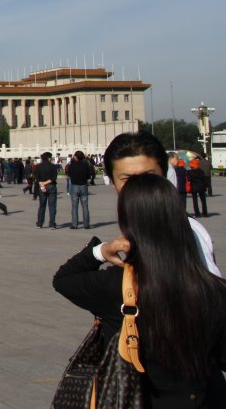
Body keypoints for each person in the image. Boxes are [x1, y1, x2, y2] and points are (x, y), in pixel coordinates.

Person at [53, 172, 226, 407]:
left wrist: (101, 251)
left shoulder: (116, 286)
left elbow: (63, 279)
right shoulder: (214, 290)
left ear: (129, 225)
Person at [101, 131, 220, 276]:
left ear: (164, 175)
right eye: (127, 179)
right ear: (112, 182)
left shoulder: (189, 229)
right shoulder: (135, 224)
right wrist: (102, 250)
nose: (140, 185)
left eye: (149, 176)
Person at [65, 151, 92, 229]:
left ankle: (74, 224)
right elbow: (88, 176)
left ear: (76, 157)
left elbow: (69, 174)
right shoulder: (86, 164)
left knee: (74, 206)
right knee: (85, 206)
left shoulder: (72, 165)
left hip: (75, 186)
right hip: (83, 186)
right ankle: (86, 224)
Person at [33, 152, 58, 229]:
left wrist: (42, 184)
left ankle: (39, 223)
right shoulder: (53, 166)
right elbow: (54, 178)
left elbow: (36, 177)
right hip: (51, 186)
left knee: (42, 205)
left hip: (41, 187)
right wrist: (45, 182)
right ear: (49, 158)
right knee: (52, 206)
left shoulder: (38, 166)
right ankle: (52, 224)